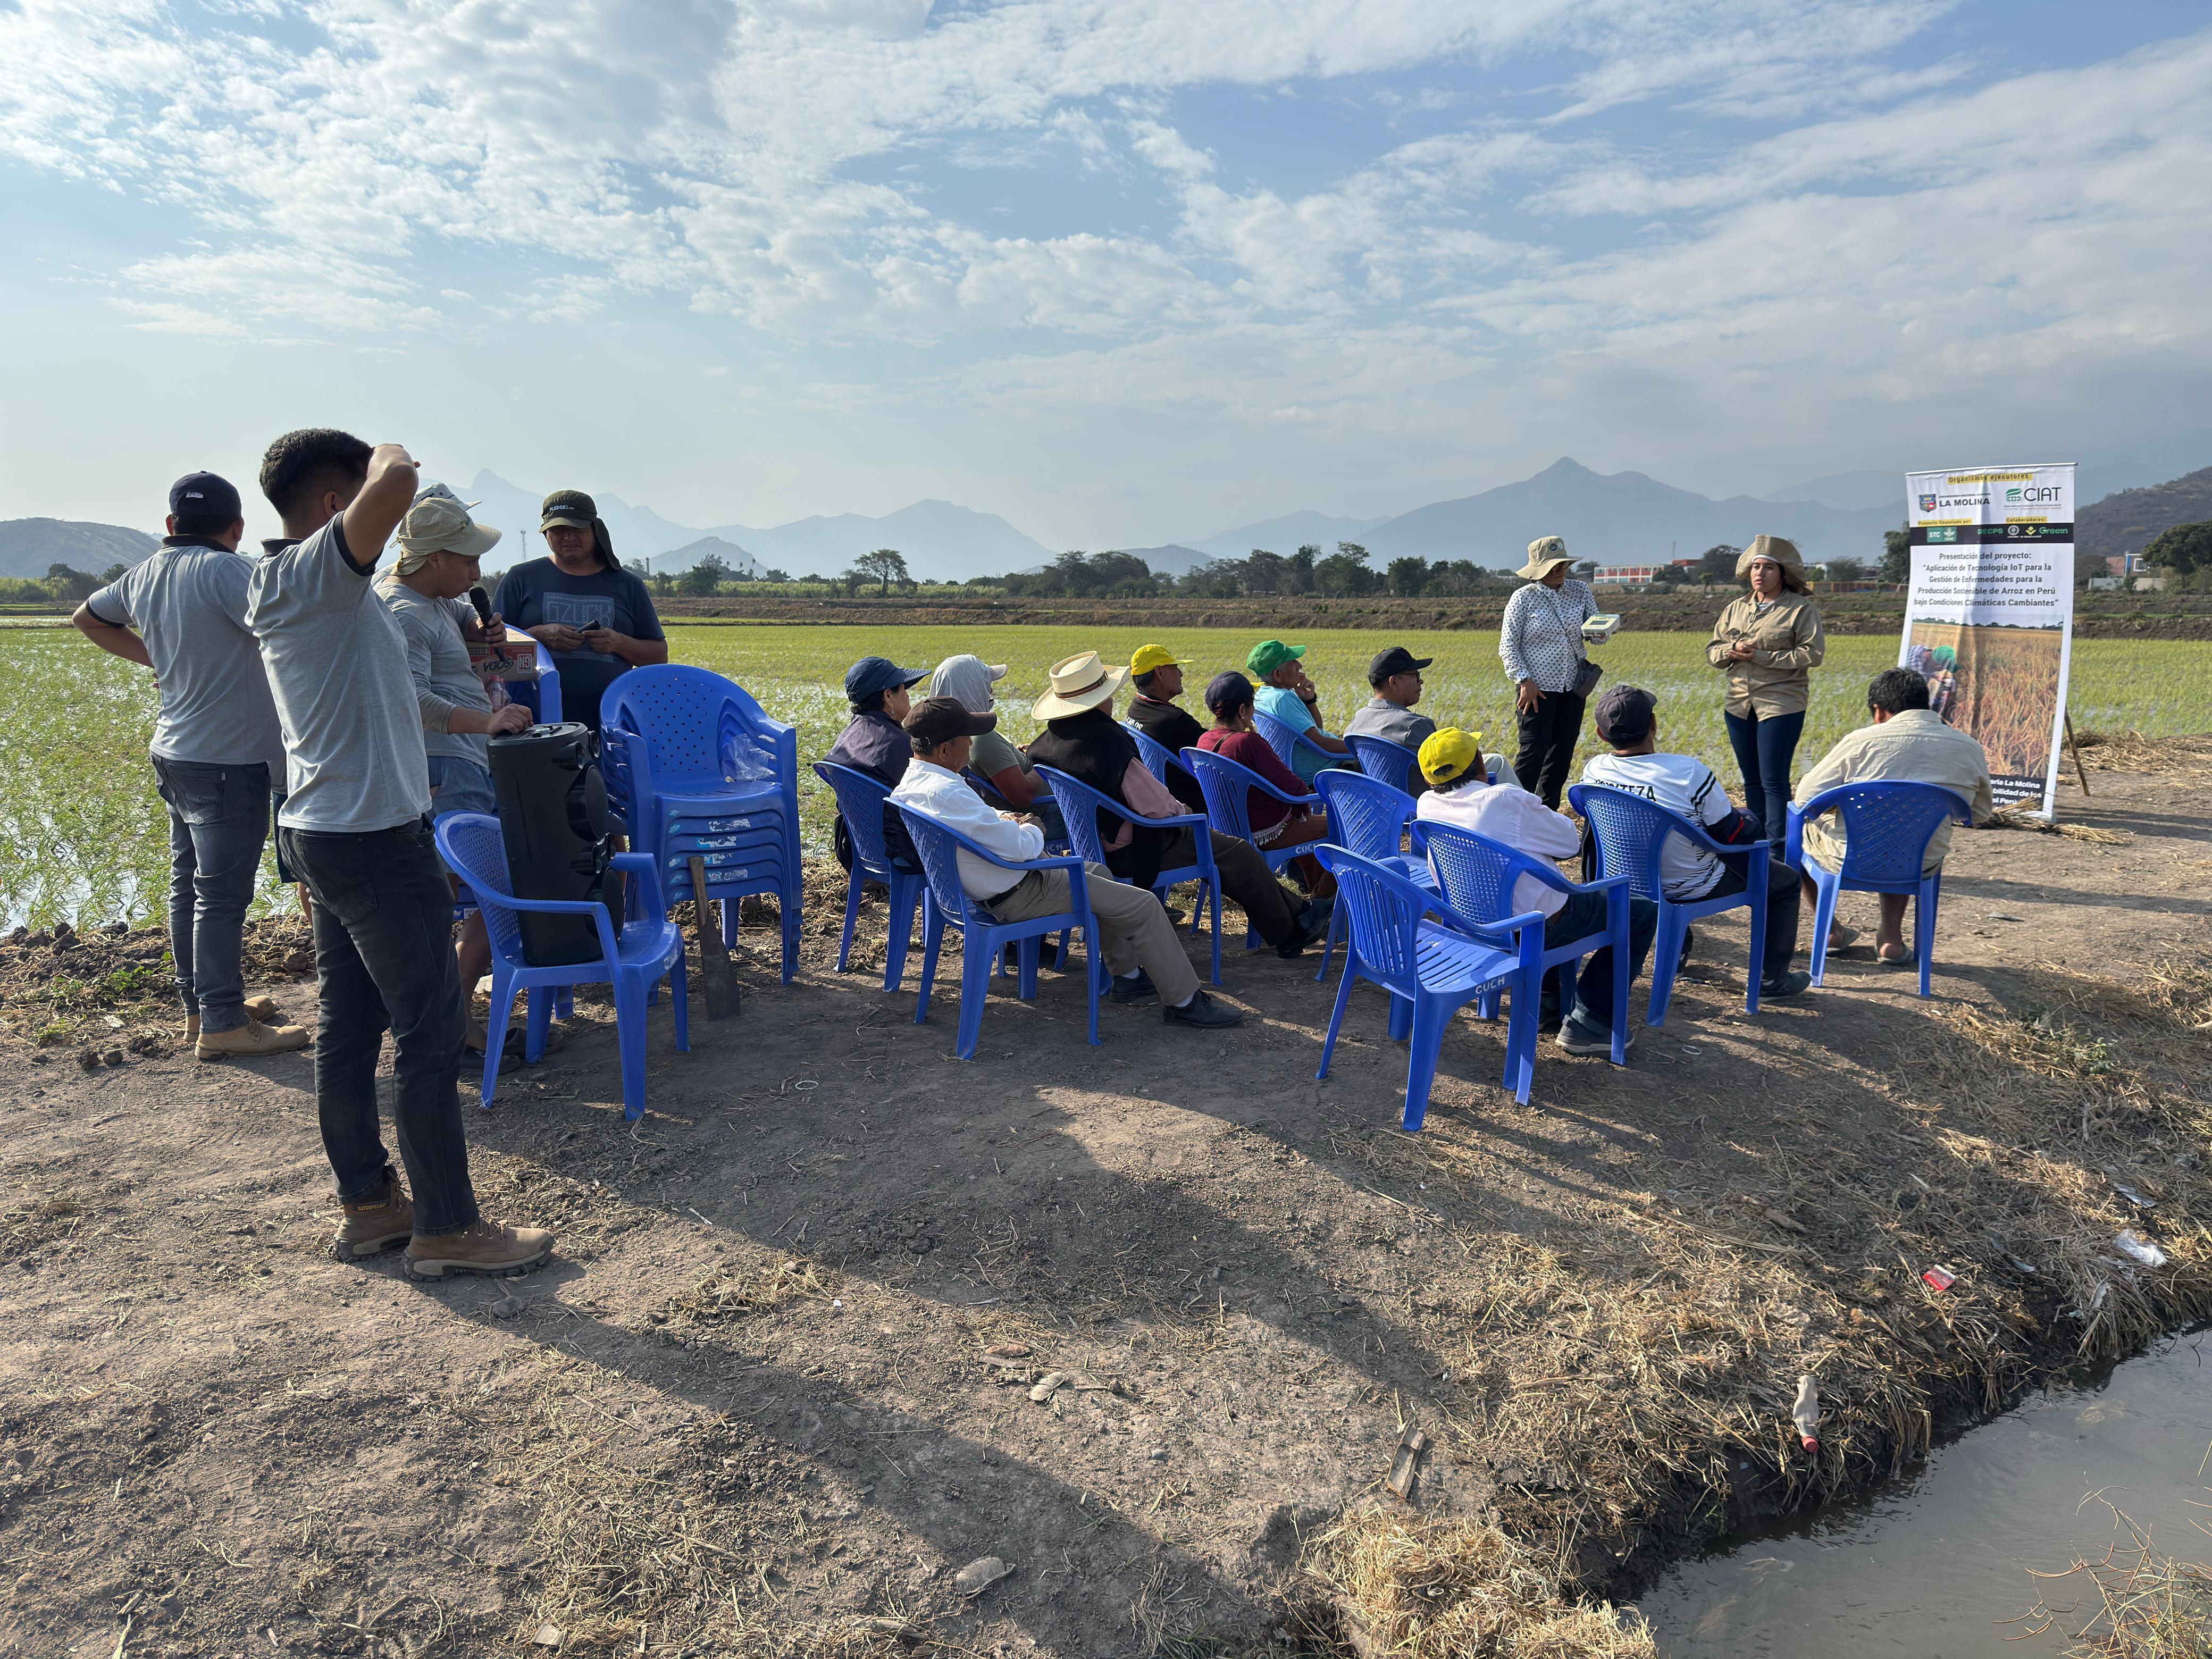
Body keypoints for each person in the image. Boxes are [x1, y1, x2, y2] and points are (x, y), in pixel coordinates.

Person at [247, 429, 552, 1277]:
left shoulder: (317, 591)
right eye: (369, 496)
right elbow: (401, 470)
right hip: (373, 840)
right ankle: (449, 1227)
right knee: (429, 1029)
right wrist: (381, 450)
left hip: (332, 831)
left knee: (349, 1031)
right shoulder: (312, 573)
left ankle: (372, 1209)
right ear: (333, 504)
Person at [72, 471, 309, 1060]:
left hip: (175, 752)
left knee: (190, 888)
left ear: (172, 525)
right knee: (222, 897)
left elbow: (88, 617)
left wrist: (159, 657)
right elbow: (296, 633)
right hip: (230, 760)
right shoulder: (231, 570)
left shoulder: (147, 571)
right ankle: (225, 1022)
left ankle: (201, 1008)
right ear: (237, 529)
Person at [890, 697, 1242, 1028]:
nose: (971, 742)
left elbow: (975, 820)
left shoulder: (917, 781)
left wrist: (1003, 818)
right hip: (1021, 890)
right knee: (1145, 904)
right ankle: (1185, 1002)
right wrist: (1032, 826)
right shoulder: (946, 790)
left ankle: (1129, 976)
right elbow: (1019, 849)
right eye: (966, 736)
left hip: (991, 888)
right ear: (945, 748)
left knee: (1098, 873)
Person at [1023, 652, 1333, 958]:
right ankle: (1291, 931)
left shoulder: (1051, 741)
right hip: (1141, 848)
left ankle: (1301, 919)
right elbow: (1158, 809)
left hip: (1093, 849)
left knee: (1233, 855)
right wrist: (1189, 815)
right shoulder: (1106, 743)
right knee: (1240, 853)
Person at [376, 487, 533, 1059]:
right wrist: (488, 720)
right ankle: (450, 1022)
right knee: (470, 898)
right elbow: (409, 699)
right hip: (442, 766)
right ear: (434, 558)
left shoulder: (436, 599)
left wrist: (482, 629)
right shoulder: (403, 613)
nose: (476, 570)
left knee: (478, 897)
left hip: (460, 761)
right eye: (466, 559)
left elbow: (465, 619)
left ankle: (448, 1015)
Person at [1412, 728, 1657, 1055]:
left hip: (1476, 925)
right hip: (1534, 929)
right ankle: (1592, 1022)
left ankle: (1547, 1003)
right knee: (1639, 910)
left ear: (1430, 779)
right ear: (1481, 764)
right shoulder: (1506, 799)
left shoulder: (1426, 805)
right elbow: (1570, 844)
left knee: (1539, 891)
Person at [1578, 685, 1812, 1000]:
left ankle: (1675, 956)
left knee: (1665, 854)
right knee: (1785, 882)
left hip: (1622, 882)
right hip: (1690, 886)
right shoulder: (1689, 773)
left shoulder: (1594, 770)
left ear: (1601, 735)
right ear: (1654, 725)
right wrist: (1749, 819)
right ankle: (1772, 983)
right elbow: (1730, 833)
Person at [1792, 667, 1993, 966]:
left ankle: (1832, 933)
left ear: (1878, 711)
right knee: (1905, 836)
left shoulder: (1860, 741)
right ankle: (1891, 940)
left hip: (1851, 857)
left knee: (1800, 830)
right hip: (1920, 860)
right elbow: (1978, 813)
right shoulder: (1968, 746)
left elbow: (1804, 799)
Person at [491, 490, 667, 731]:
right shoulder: (520, 579)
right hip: (531, 723)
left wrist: (617, 643)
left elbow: (658, 656)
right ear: (545, 535)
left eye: (577, 530)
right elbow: (491, 653)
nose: (568, 537)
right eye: (558, 531)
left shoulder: (628, 585)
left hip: (611, 723)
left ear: (596, 530)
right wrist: (538, 637)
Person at [1708, 534, 1825, 853]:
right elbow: (1713, 653)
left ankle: (1779, 848)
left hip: (1781, 702)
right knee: (1751, 780)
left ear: (1783, 573)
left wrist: (1761, 657)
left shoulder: (1800, 608)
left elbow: (1812, 655)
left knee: (1774, 779)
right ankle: (1757, 844)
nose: (1760, 573)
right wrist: (1732, 649)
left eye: (1768, 568)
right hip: (1738, 703)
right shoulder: (1736, 609)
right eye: (1756, 567)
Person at [1195, 671, 1334, 894]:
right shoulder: (1249, 742)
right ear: (1243, 710)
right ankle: (1324, 899)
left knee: (1309, 827)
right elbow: (1294, 787)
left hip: (1228, 831)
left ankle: (1315, 890)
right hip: (1267, 833)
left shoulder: (1204, 741)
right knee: (1341, 829)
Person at [1499, 536, 1599, 809]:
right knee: (1533, 751)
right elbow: (1508, 646)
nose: (1560, 570)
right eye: (1553, 567)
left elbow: (1595, 632)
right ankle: (1515, 811)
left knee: (1562, 752)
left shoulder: (1580, 591)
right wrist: (1524, 680)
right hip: (1536, 689)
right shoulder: (1523, 598)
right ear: (1538, 570)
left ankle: (1547, 812)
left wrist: (1601, 633)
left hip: (1574, 688)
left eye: (1563, 565)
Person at [826, 655, 929, 868]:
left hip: (859, 849)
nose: (909, 697)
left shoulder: (846, 737)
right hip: (901, 853)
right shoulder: (902, 745)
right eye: (903, 689)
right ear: (888, 696)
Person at [1247, 639, 1353, 783]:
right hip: (1321, 770)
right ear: (1278, 674)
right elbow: (1321, 743)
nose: (1300, 665)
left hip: (1305, 766)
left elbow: (1316, 730)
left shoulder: (1263, 695)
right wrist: (1358, 748)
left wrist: (1308, 700)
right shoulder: (1283, 699)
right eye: (1292, 662)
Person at [1125, 643, 1207, 812]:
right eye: (1176, 667)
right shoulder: (1175, 720)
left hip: (1162, 799)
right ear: (1160, 672)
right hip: (1192, 809)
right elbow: (1221, 757)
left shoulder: (1135, 708)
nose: (1181, 674)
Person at [1343, 646, 1438, 790]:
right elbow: (1447, 774)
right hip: (1418, 809)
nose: (1421, 681)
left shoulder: (1358, 720)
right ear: (1394, 682)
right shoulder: (1415, 725)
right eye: (1415, 675)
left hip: (1378, 806)